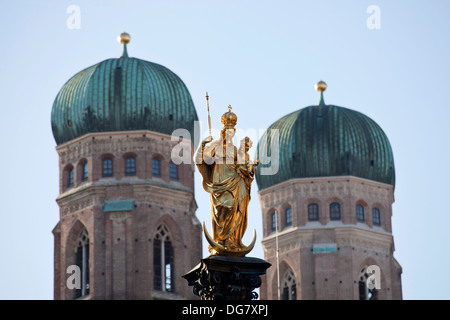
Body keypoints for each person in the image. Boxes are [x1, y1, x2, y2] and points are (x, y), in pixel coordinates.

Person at [194, 107, 258, 255]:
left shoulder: (235, 150)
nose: (230, 133)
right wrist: (203, 145)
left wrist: (249, 169)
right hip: (219, 182)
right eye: (228, 131)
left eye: (232, 132)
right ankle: (220, 240)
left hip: (235, 182)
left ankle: (232, 242)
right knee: (224, 207)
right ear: (223, 131)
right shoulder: (216, 146)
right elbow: (200, 159)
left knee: (235, 210)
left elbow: (242, 166)